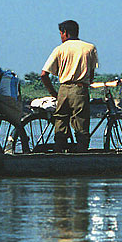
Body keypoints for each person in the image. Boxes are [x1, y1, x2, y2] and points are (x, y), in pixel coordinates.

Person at [40, 20, 99, 153]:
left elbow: (44, 74)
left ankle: (58, 151)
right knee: (81, 123)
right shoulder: (89, 48)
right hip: (80, 89)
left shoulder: (59, 49)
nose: (61, 37)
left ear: (65, 33)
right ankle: (81, 153)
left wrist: (54, 93)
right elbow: (91, 75)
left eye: (61, 34)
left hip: (63, 89)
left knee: (60, 121)